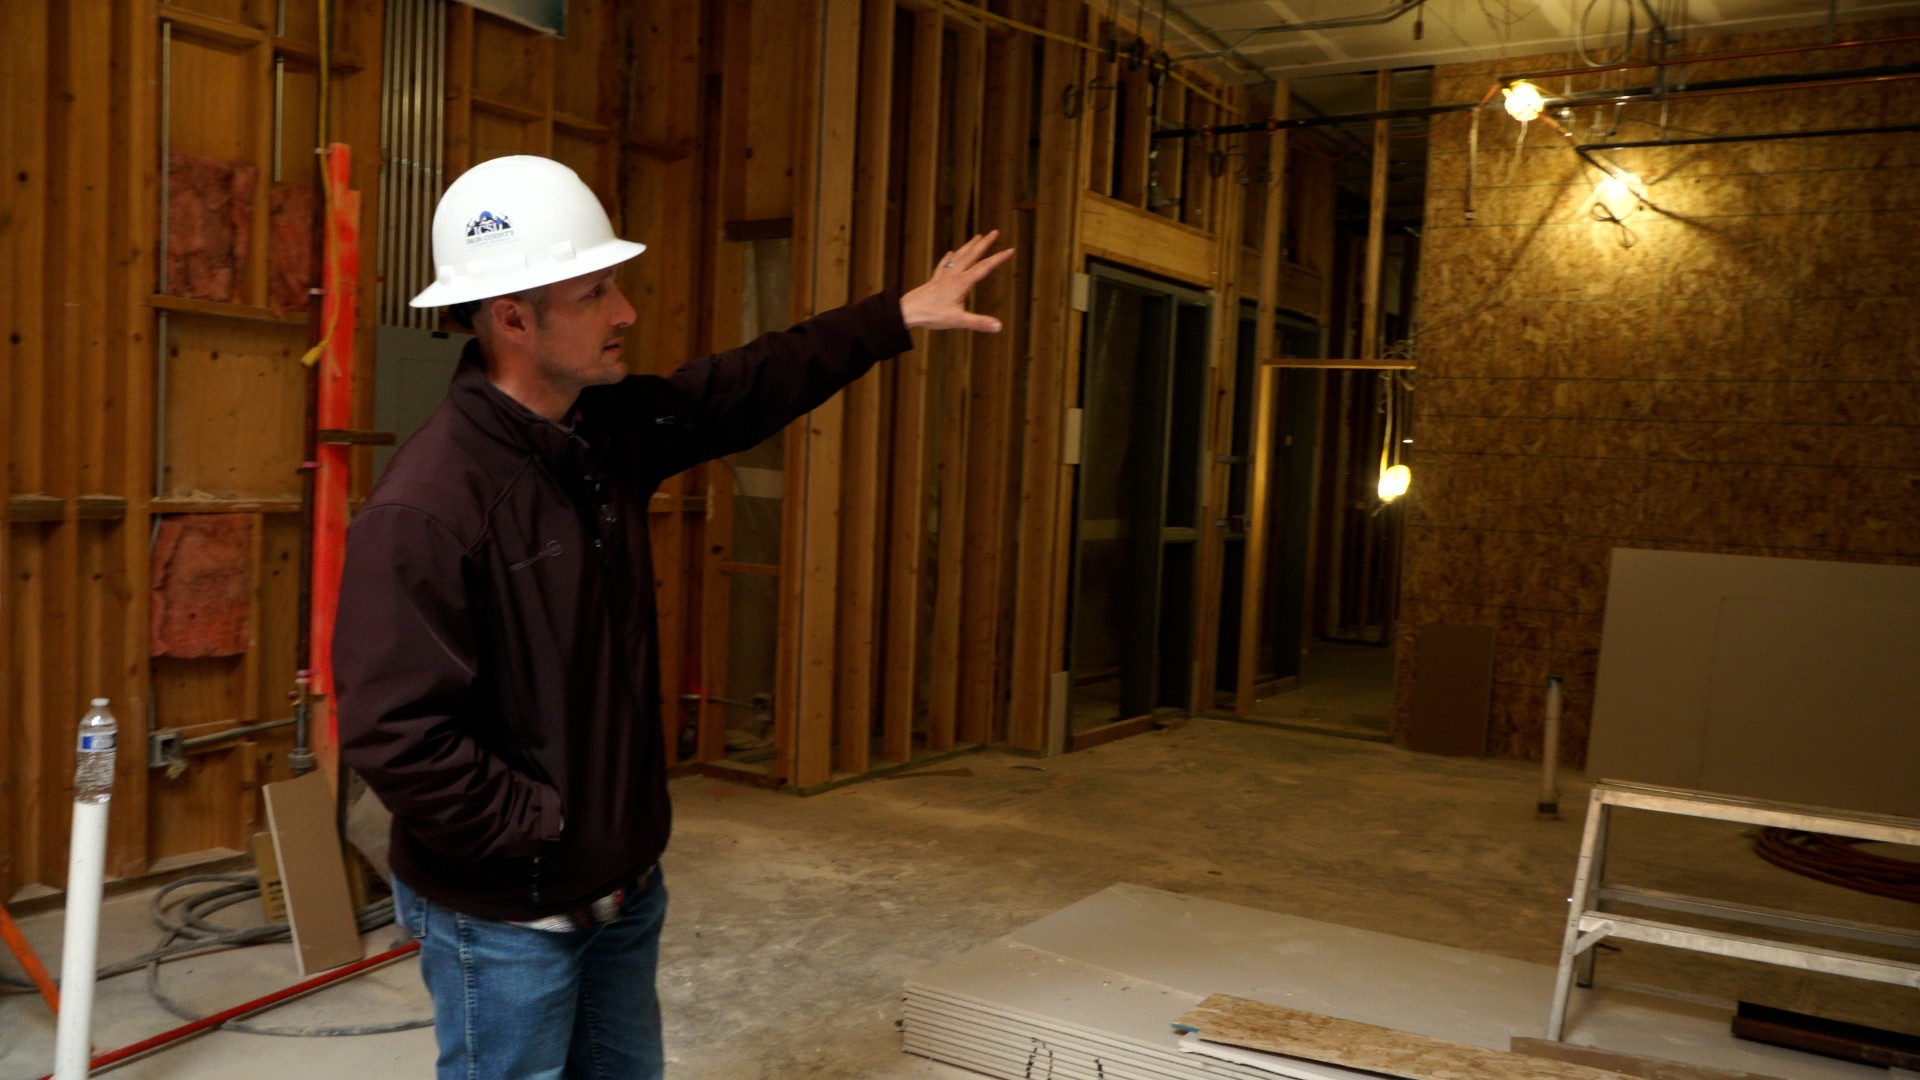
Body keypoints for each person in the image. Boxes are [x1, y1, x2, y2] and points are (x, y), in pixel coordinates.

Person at [333, 154, 1010, 1080]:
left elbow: (742, 384)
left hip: (623, 888)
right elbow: (394, 735)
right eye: (597, 290)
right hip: (512, 917)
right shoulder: (428, 508)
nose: (626, 312)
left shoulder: (598, 431)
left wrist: (889, 319)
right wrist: (546, 829)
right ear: (514, 317)